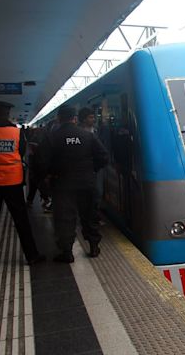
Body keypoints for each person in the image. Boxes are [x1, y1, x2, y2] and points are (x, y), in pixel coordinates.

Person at [36, 105, 109, 263]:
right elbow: (104, 156)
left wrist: (49, 174)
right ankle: (94, 246)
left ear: (58, 118)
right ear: (75, 118)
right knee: (90, 216)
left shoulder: (52, 137)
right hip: (87, 183)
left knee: (65, 218)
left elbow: (40, 161)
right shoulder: (87, 136)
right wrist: (92, 170)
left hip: (62, 184)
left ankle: (67, 252)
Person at [0, 101, 45, 269]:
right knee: (21, 220)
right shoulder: (16, 133)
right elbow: (21, 153)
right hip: (12, 182)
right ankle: (31, 255)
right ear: (8, 114)